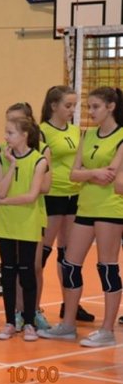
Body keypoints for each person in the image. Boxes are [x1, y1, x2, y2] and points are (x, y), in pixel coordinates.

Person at [39, 86, 123, 347]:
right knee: (70, 264)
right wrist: (93, 173)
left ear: (111, 107)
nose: (90, 112)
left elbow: (113, 176)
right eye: (89, 107)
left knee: (107, 267)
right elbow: (74, 174)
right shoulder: (86, 134)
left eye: (95, 107)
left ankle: (107, 330)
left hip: (110, 208)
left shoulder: (121, 137)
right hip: (85, 206)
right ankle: (68, 325)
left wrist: (90, 173)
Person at [39, 86, 95, 324]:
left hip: (75, 195)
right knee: (43, 252)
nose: (72, 110)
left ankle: (70, 304)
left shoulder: (75, 130)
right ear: (54, 106)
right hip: (53, 195)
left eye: (74, 105)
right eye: (68, 105)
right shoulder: (42, 131)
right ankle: (33, 306)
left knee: (68, 253)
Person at [0, 113, 48, 341]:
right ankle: (9, 322)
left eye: (10, 133)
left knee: (27, 272)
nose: (6, 137)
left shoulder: (39, 160)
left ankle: (30, 322)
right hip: (6, 223)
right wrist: (12, 164)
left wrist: (4, 202)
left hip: (27, 223)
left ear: (24, 135)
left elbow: (32, 196)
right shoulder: (2, 156)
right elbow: (1, 189)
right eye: (6, 132)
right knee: (7, 272)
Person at [4, 103, 52, 332]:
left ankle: (34, 312)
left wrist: (19, 193)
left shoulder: (41, 152)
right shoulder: (2, 151)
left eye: (14, 124)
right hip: (9, 217)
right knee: (11, 268)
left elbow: (44, 187)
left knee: (33, 266)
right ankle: (17, 312)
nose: (7, 132)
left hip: (33, 213)